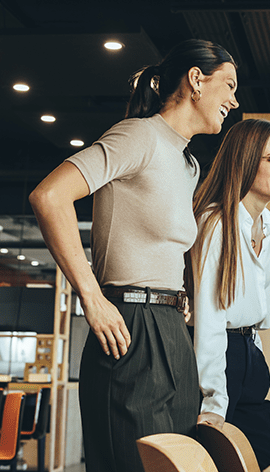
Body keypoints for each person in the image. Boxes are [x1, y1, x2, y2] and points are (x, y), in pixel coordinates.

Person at [28, 39, 239, 472]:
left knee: (175, 462)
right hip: (128, 325)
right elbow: (49, 196)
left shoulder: (188, 164)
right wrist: (92, 298)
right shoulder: (138, 135)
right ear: (196, 80)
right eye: (230, 85)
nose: (234, 101)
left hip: (170, 329)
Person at [190, 118, 270, 469]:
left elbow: (259, 308)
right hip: (219, 357)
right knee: (218, 461)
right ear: (246, 160)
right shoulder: (215, 222)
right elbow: (209, 318)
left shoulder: (268, 224)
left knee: (267, 460)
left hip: (250, 353)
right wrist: (214, 400)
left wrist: (257, 356)